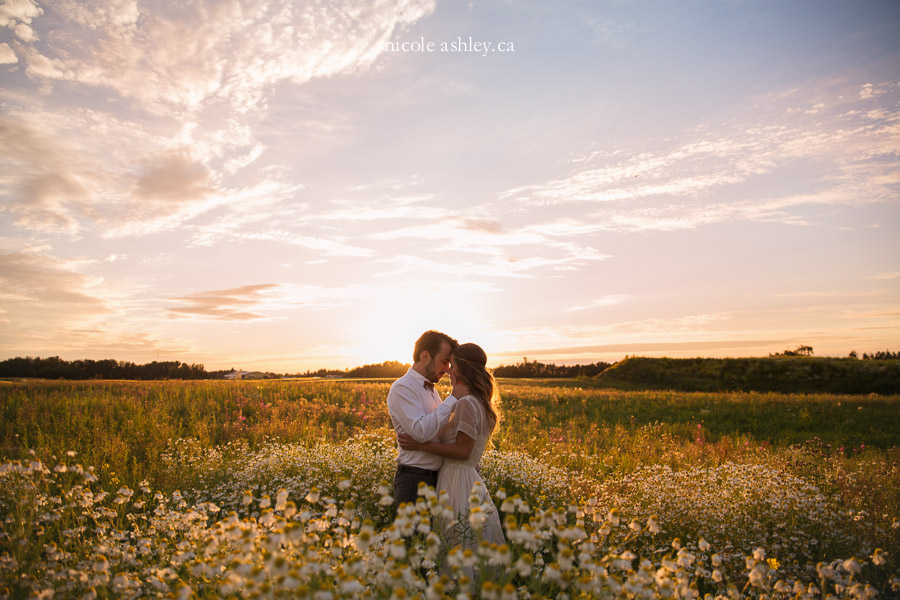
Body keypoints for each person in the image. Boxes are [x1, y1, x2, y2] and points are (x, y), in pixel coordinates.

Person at [398, 342, 505, 548]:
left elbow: (464, 451)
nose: (448, 371)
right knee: (467, 540)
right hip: (468, 477)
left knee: (456, 542)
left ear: (463, 369)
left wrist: (421, 445)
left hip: (457, 479)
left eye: (452, 365)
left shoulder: (466, 403)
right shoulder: (479, 401)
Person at [387, 330, 460, 507]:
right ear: (425, 356)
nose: (447, 369)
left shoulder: (431, 391)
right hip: (415, 480)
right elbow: (421, 432)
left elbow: (439, 431)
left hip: (439, 478)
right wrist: (454, 397)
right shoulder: (402, 388)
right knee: (414, 534)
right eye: (444, 361)